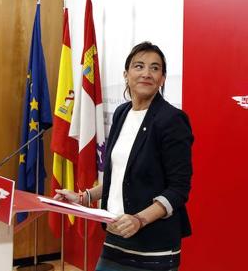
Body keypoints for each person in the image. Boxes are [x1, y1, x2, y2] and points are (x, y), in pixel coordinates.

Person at [55, 41, 193, 271]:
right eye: (139, 66)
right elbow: (118, 175)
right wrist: (84, 197)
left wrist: (139, 220)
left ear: (163, 78)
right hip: (115, 235)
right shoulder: (121, 113)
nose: (146, 73)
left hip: (152, 245)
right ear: (126, 74)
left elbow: (178, 189)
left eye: (155, 68)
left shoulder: (171, 120)